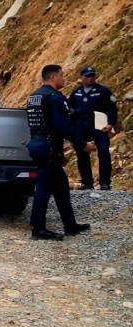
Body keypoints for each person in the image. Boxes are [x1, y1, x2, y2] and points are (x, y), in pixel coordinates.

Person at [25, 64, 93, 241]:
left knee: (61, 185)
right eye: (62, 75)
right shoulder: (55, 98)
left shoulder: (34, 97)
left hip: (36, 143)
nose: (65, 78)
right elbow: (63, 126)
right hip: (48, 146)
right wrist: (82, 144)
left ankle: (70, 225)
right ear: (54, 77)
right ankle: (38, 229)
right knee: (43, 188)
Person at [69, 66, 118, 190]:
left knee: (104, 153)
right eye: (88, 76)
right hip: (81, 125)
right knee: (82, 153)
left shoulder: (103, 91)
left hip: (98, 124)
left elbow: (112, 108)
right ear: (81, 78)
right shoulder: (76, 92)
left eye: (93, 76)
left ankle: (105, 182)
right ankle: (87, 182)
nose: (91, 78)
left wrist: (111, 123)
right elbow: (70, 110)